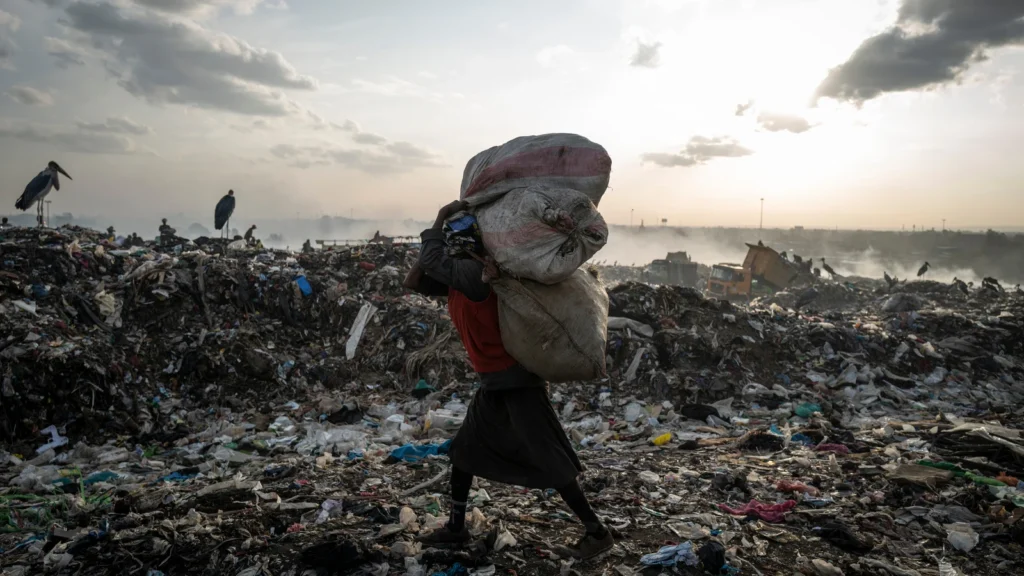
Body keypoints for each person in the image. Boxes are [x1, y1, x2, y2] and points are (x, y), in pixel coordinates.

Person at [403, 201, 614, 560]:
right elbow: (415, 279)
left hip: (518, 383)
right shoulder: (460, 281)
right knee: (464, 453)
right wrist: (440, 242)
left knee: (553, 463)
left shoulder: (480, 277)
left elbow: (433, 261)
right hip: (494, 384)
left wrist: (440, 218)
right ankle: (456, 527)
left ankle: (597, 533)